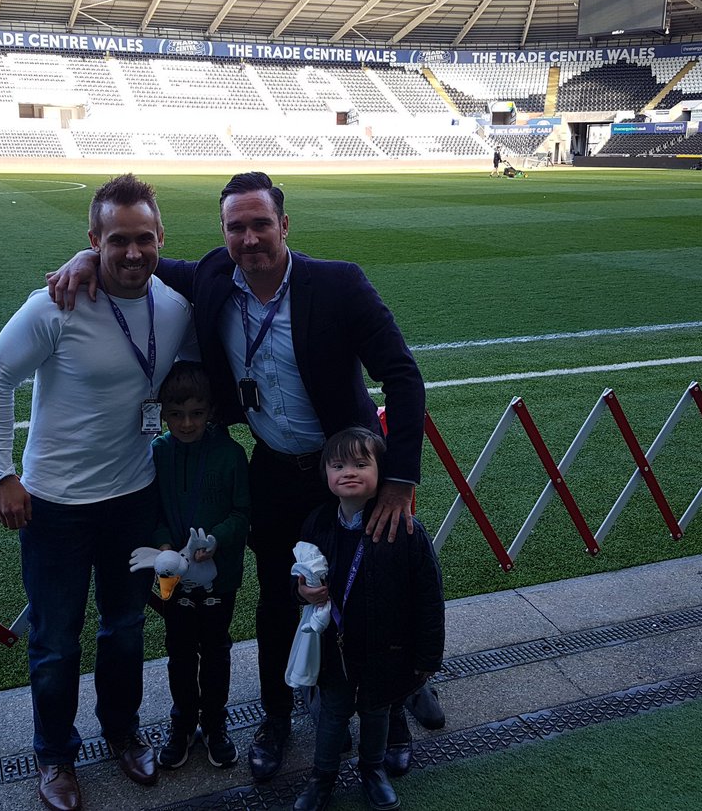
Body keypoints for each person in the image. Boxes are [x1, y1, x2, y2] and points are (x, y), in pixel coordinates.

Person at [47, 171, 427, 784]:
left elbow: (404, 378)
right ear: (223, 234)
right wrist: (87, 255)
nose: (249, 238)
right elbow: (143, 258)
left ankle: (388, 714)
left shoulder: (338, 283)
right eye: (235, 227)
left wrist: (400, 479)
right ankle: (276, 718)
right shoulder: (215, 277)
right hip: (275, 471)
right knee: (278, 602)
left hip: (347, 473)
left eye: (260, 224)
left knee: (362, 596)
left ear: (284, 225)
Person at [0, 174, 195, 810]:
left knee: (125, 627)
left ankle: (122, 735)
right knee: (55, 639)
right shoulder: (55, 304)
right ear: (93, 240)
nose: (132, 253)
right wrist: (2, 474)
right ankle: (55, 756)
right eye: (117, 240)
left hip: (133, 498)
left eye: (144, 239)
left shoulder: (175, 308)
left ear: (161, 239)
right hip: (56, 509)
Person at [292, 427, 445, 811]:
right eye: (338, 464)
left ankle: (372, 770)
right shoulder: (318, 522)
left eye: (362, 464)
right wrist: (302, 592)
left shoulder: (406, 528)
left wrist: (426, 659)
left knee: (376, 713)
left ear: (382, 472)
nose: (349, 472)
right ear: (325, 473)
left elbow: (429, 597)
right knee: (332, 714)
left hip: (385, 647)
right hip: (335, 649)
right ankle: (321, 777)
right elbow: (301, 576)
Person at [150, 361, 249, 771]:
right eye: (175, 415)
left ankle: (215, 724)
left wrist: (217, 541)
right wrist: (164, 544)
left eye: (196, 413)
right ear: (162, 414)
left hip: (219, 578)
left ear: (210, 411)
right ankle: (182, 724)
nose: (186, 423)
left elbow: (244, 514)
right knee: (178, 651)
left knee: (216, 650)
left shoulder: (231, 455)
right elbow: (151, 509)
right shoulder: (158, 453)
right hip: (174, 578)